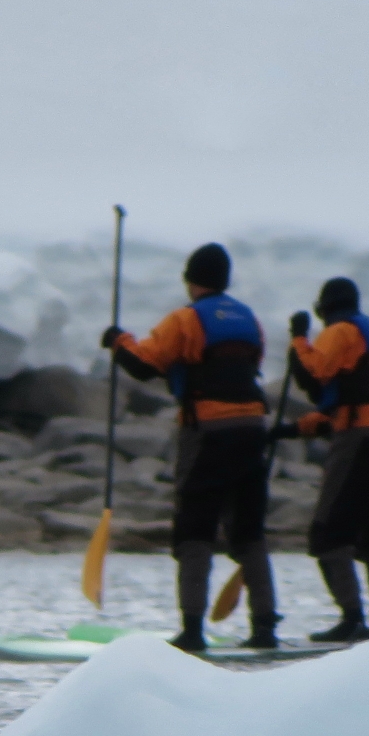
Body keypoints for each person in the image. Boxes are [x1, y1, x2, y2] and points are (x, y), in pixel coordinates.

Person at [102, 242, 279, 653]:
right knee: (249, 530)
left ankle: (193, 629)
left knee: (195, 529)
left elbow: (145, 365)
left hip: (210, 433)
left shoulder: (185, 319)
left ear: (190, 280)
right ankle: (266, 625)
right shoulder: (249, 320)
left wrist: (117, 340)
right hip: (253, 429)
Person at [273, 277, 369, 642]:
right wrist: (292, 430)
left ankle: (351, 619)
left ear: (325, 308)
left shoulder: (339, 331)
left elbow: (314, 374)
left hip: (361, 444)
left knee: (328, 535)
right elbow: (352, 399)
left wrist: (299, 338)